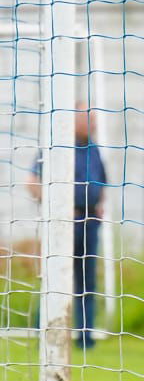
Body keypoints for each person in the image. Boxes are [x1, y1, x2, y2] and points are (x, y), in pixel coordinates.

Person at [27, 105, 107, 349]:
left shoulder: (94, 149)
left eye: (93, 120)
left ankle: (86, 340)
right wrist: (56, 207)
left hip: (89, 222)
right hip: (64, 223)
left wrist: (99, 203)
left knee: (87, 282)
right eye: (88, 120)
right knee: (55, 279)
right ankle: (45, 332)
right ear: (73, 121)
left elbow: (103, 181)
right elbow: (32, 182)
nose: (92, 125)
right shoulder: (56, 145)